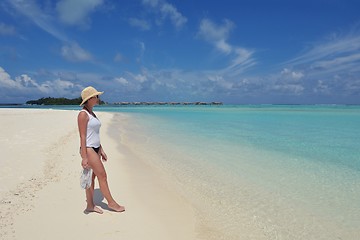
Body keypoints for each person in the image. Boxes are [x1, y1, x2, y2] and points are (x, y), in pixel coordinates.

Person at [77, 86, 125, 214]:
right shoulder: (83, 114)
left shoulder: (92, 113)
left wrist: (101, 149)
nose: (98, 98)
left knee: (91, 178)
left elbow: (94, 134)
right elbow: (82, 136)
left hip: (96, 148)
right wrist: (84, 157)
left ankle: (90, 205)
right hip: (88, 149)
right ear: (90, 99)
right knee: (102, 176)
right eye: (96, 96)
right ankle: (111, 203)